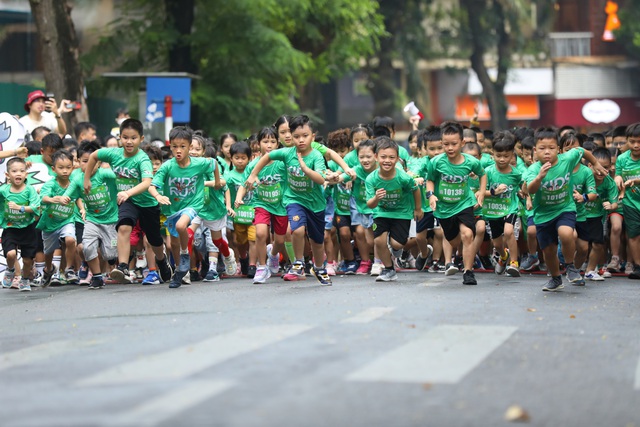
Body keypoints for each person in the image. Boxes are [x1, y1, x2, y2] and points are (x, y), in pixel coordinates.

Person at [82, 118, 173, 284]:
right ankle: (123, 266)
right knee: (123, 226)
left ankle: (162, 261)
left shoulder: (142, 159)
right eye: (125, 137)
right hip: (128, 201)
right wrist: (86, 179)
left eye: (133, 138)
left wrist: (128, 193)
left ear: (141, 139)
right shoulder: (113, 153)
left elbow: (147, 182)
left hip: (147, 203)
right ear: (120, 138)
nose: (129, 142)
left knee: (154, 240)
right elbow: (94, 156)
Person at [245, 115, 332, 285]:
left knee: (317, 241)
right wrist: (254, 174)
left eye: (305, 136)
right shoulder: (286, 153)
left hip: (315, 204)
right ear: (290, 137)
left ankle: (319, 268)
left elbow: (321, 179)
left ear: (312, 136)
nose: (300, 140)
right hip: (294, 199)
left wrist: (306, 169)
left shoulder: (316, 157)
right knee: (296, 230)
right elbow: (267, 157)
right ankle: (298, 261)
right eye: (296, 136)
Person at [526, 127, 608, 292]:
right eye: (542, 149)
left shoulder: (567, 159)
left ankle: (570, 266)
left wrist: (596, 163)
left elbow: (582, 151)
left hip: (565, 207)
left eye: (551, 148)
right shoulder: (534, 169)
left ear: (558, 149)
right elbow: (531, 189)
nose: (547, 152)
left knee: (566, 233)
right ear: (535, 150)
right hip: (543, 214)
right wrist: (539, 177)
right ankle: (556, 278)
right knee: (548, 250)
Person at [149, 126, 219, 288]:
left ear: (189, 147)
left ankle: (185, 253)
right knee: (172, 244)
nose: (178, 150)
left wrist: (216, 182)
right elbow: (152, 186)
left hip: (193, 205)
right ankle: (180, 272)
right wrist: (159, 196)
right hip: (172, 208)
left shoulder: (199, 163)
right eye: (174, 147)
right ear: (170, 147)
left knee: (181, 225)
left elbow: (214, 163)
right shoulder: (167, 166)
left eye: (182, 146)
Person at [426, 121, 486, 286]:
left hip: (464, 203)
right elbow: (429, 180)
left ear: (462, 143)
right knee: (453, 241)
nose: (450, 148)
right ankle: (453, 256)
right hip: (444, 207)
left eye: (454, 144)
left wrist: (481, 192)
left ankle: (468, 271)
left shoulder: (470, 162)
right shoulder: (436, 162)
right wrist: (431, 195)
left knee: (467, 234)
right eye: (446, 144)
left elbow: (482, 174)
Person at [61, 141, 119, 290]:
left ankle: (112, 261)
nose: (88, 165)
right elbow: (68, 195)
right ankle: (97, 277)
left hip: (111, 220)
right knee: (87, 248)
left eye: (92, 162)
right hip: (92, 220)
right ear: (78, 162)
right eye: (85, 161)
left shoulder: (105, 174)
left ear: (98, 163)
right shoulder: (78, 179)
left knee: (110, 255)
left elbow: (121, 177)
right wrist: (64, 199)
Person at [365, 137, 422, 282]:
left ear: (397, 159)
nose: (387, 161)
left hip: (401, 213)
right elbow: (370, 204)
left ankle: (397, 250)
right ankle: (389, 269)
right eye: (383, 157)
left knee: (396, 244)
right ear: (376, 157)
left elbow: (415, 189)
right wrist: (377, 198)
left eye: (391, 157)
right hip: (382, 212)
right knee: (379, 241)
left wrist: (418, 209)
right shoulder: (371, 179)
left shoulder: (402, 177)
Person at [236, 127, 288, 284]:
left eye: (273, 141)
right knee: (260, 234)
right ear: (258, 144)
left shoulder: (282, 163)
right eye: (265, 141)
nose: (269, 145)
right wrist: (238, 198)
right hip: (261, 204)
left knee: (279, 240)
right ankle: (261, 267)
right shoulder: (253, 166)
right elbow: (244, 184)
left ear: (278, 144)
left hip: (280, 205)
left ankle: (273, 256)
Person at [483, 131, 524, 277]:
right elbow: (481, 193)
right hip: (493, 211)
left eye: (506, 156)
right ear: (492, 153)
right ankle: (504, 257)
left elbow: (522, 188)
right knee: (497, 244)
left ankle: (514, 262)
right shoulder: (487, 172)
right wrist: (494, 192)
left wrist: (526, 197)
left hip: (509, 208)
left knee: (508, 232)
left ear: (512, 154)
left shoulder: (516, 173)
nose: (502, 159)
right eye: (498, 156)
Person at [38, 150, 79, 287]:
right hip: (49, 223)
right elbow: (43, 198)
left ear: (73, 167)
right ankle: (48, 270)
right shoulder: (50, 184)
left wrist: (83, 209)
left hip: (67, 220)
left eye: (68, 167)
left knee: (70, 240)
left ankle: (69, 269)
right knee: (48, 252)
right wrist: (53, 199)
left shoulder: (74, 182)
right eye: (61, 168)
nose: (65, 171)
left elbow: (78, 196)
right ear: (53, 169)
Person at [0, 158, 40, 291]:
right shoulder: (3, 190)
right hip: (10, 228)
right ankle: (10, 270)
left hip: (28, 229)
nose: (18, 174)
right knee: (11, 254)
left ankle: (24, 279)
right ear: (7, 175)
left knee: (28, 260)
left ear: (26, 174)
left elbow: (36, 207)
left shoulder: (29, 190)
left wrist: (20, 208)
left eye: (22, 171)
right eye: (14, 171)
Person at [583, 148, 619, 281]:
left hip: (597, 217)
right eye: (598, 167)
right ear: (590, 165)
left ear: (610, 167)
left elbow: (615, 203)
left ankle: (590, 270)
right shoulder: (583, 177)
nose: (601, 171)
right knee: (580, 244)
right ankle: (572, 268)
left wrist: (611, 206)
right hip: (580, 215)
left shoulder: (609, 183)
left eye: (605, 167)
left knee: (598, 243)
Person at [614, 122, 640, 279]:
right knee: (634, 235)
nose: (636, 145)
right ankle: (638, 266)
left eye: (639, 141)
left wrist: (636, 181)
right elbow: (617, 173)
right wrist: (617, 178)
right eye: (632, 141)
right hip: (630, 202)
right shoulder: (622, 159)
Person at [227, 141, 257, 277]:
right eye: (237, 158)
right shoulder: (228, 176)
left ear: (249, 158)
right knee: (239, 241)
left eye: (243, 158)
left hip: (254, 212)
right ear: (231, 158)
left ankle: (252, 265)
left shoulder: (254, 174)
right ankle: (243, 257)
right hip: (237, 215)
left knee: (253, 238)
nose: (240, 161)